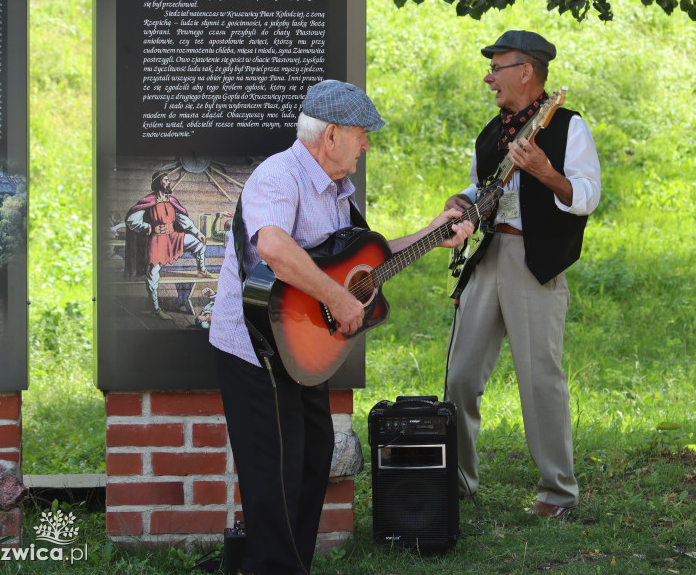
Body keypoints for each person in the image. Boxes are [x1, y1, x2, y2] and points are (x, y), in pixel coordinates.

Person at [209, 79, 473, 574]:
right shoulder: (279, 177)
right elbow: (272, 246)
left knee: (313, 459)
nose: (367, 143)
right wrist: (335, 297)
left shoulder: (336, 191)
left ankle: (290, 564)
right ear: (331, 135)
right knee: (276, 473)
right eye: (361, 134)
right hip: (256, 348)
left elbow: (364, 261)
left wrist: (433, 234)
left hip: (303, 348)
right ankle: (270, 567)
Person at [444, 30, 601, 519]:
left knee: (540, 378)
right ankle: (459, 481)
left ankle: (558, 493)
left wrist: (545, 172)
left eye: (498, 67)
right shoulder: (491, 131)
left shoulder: (568, 126)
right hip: (490, 253)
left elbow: (588, 195)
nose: (489, 77)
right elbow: (481, 186)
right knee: (460, 376)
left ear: (526, 71)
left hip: (536, 260)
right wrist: (462, 202)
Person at [124, 170, 209, 320]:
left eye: (168, 180)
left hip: (173, 237)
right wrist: (147, 227)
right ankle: (155, 309)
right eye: (165, 180)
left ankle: (201, 270)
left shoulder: (171, 201)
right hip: (157, 241)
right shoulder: (148, 201)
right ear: (158, 183)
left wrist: (197, 233)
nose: (168, 182)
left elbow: (183, 220)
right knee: (152, 275)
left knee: (198, 243)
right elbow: (131, 220)